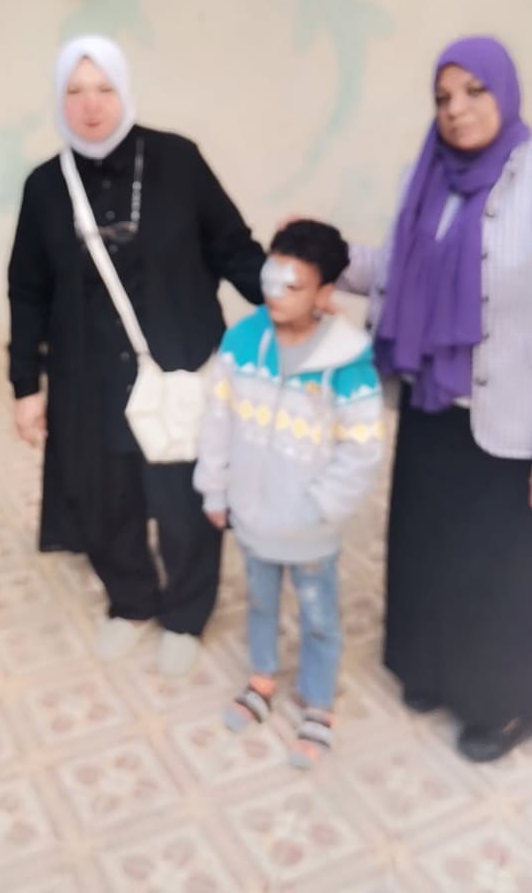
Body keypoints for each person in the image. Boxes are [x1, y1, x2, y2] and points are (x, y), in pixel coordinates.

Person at [8, 35, 265, 675]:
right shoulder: (45, 187)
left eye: (104, 88)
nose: (90, 105)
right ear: (59, 100)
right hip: (87, 379)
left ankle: (186, 613)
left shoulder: (177, 160)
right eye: (75, 90)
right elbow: (27, 290)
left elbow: (232, 247)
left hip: (177, 368)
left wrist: (286, 294)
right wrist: (25, 385)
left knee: (184, 503)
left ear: (124, 91)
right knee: (105, 499)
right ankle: (130, 601)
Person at [341, 35, 532, 763]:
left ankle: (502, 703)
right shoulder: (425, 177)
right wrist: (320, 253)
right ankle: (430, 668)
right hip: (433, 402)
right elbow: (394, 271)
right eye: (443, 97)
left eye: (474, 91)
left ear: (505, 92)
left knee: (498, 567)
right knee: (429, 548)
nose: (456, 109)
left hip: (510, 415)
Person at [194, 220, 383, 766]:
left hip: (310, 527)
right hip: (253, 514)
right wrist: (215, 489)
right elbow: (217, 420)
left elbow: (361, 449)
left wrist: (320, 508)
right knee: (259, 600)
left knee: (318, 614)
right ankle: (262, 677)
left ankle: (318, 702)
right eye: (271, 280)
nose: (275, 294)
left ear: (325, 293)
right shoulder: (241, 343)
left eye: (294, 286)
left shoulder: (347, 363)